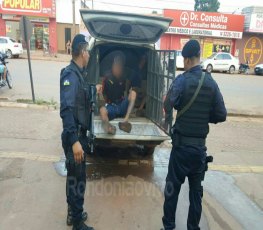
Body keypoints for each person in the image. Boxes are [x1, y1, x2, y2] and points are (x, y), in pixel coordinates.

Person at [161, 40, 227, 230]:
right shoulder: (211, 82)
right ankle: (193, 227)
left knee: (172, 189)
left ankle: (168, 226)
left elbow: (167, 103)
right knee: (196, 194)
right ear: (199, 56)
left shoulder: (182, 80)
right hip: (199, 151)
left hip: (181, 149)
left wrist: (169, 117)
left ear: (187, 59)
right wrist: (207, 116)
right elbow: (221, 114)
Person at [60, 34, 101, 230]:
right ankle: (77, 223)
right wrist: (75, 141)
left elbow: (80, 100)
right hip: (74, 137)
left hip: (78, 135)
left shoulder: (78, 74)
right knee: (77, 180)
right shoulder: (71, 75)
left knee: (74, 178)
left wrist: (94, 90)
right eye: (88, 52)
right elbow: (67, 109)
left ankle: (73, 213)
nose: (89, 56)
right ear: (83, 52)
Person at [100, 55, 136, 134]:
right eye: (117, 66)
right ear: (113, 66)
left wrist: (128, 93)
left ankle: (125, 121)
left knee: (133, 93)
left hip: (121, 105)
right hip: (111, 106)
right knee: (102, 110)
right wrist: (106, 103)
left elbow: (126, 91)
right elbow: (103, 93)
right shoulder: (107, 77)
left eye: (120, 66)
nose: (119, 68)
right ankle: (109, 128)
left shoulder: (124, 77)